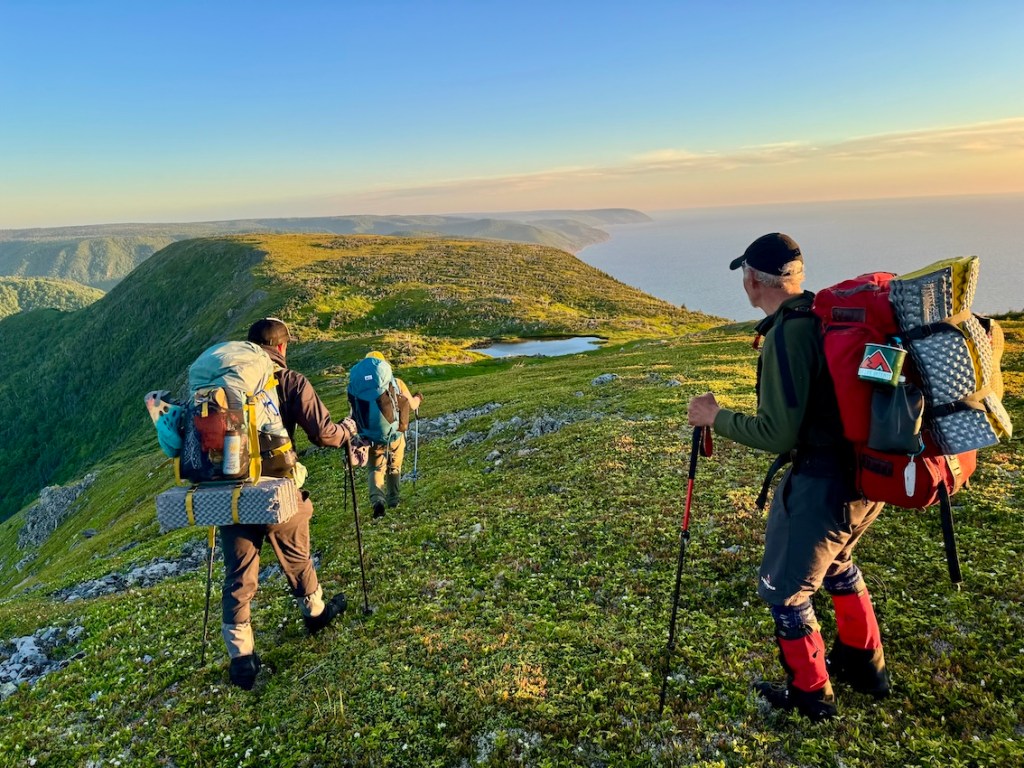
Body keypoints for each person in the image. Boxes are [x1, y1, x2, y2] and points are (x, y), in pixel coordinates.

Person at [687, 233, 889, 722]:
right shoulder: (821, 314)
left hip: (822, 483)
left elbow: (778, 434)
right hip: (865, 476)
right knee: (838, 562)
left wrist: (715, 417)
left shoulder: (787, 332)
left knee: (787, 593)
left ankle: (812, 695)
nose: (745, 284)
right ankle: (865, 665)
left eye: (745, 276)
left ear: (754, 279)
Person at [220, 317, 357, 690]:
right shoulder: (290, 381)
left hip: (230, 491)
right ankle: (315, 616)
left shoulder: (227, 384)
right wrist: (347, 430)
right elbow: (324, 435)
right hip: (276, 490)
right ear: (281, 348)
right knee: (297, 556)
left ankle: (241, 660)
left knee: (239, 573)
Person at [361, 351, 423, 519]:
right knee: (393, 466)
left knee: (375, 468)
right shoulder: (396, 383)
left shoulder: (361, 387)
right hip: (395, 435)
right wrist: (418, 397)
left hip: (372, 437)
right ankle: (393, 501)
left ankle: (377, 502)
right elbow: (412, 405)